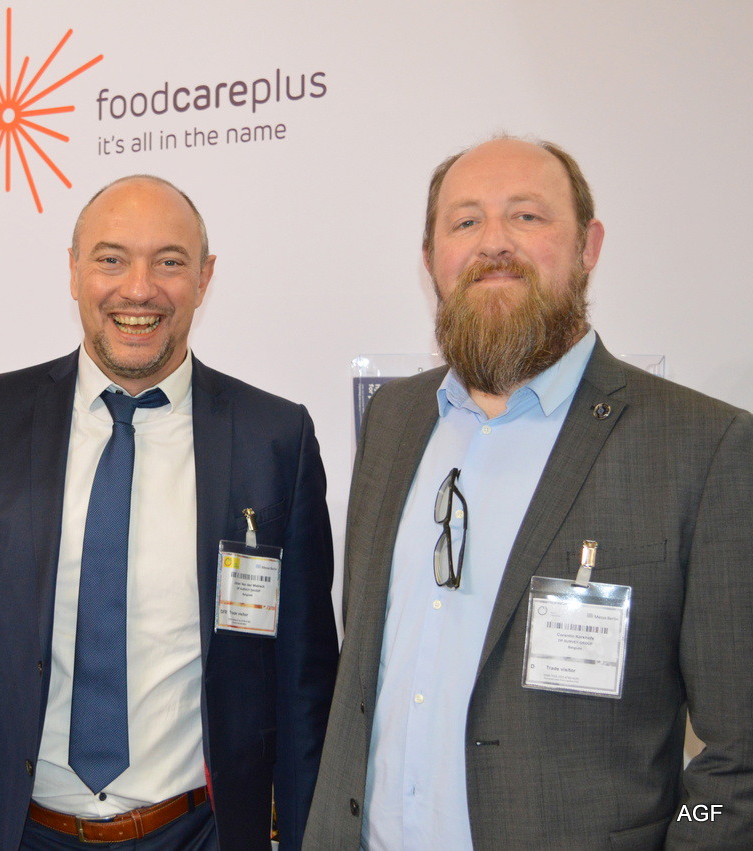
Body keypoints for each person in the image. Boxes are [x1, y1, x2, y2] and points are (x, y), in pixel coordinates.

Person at [306, 137, 753, 848]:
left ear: (588, 246)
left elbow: (740, 758)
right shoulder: (392, 420)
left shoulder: (703, 447)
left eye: (527, 216)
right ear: (431, 259)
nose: (494, 243)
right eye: (465, 222)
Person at [0, 175, 337, 850]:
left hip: (198, 832)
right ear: (74, 270)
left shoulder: (275, 438)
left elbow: (305, 686)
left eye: (169, 262)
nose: (138, 289)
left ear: (204, 277)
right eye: (111, 259)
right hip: (13, 832)